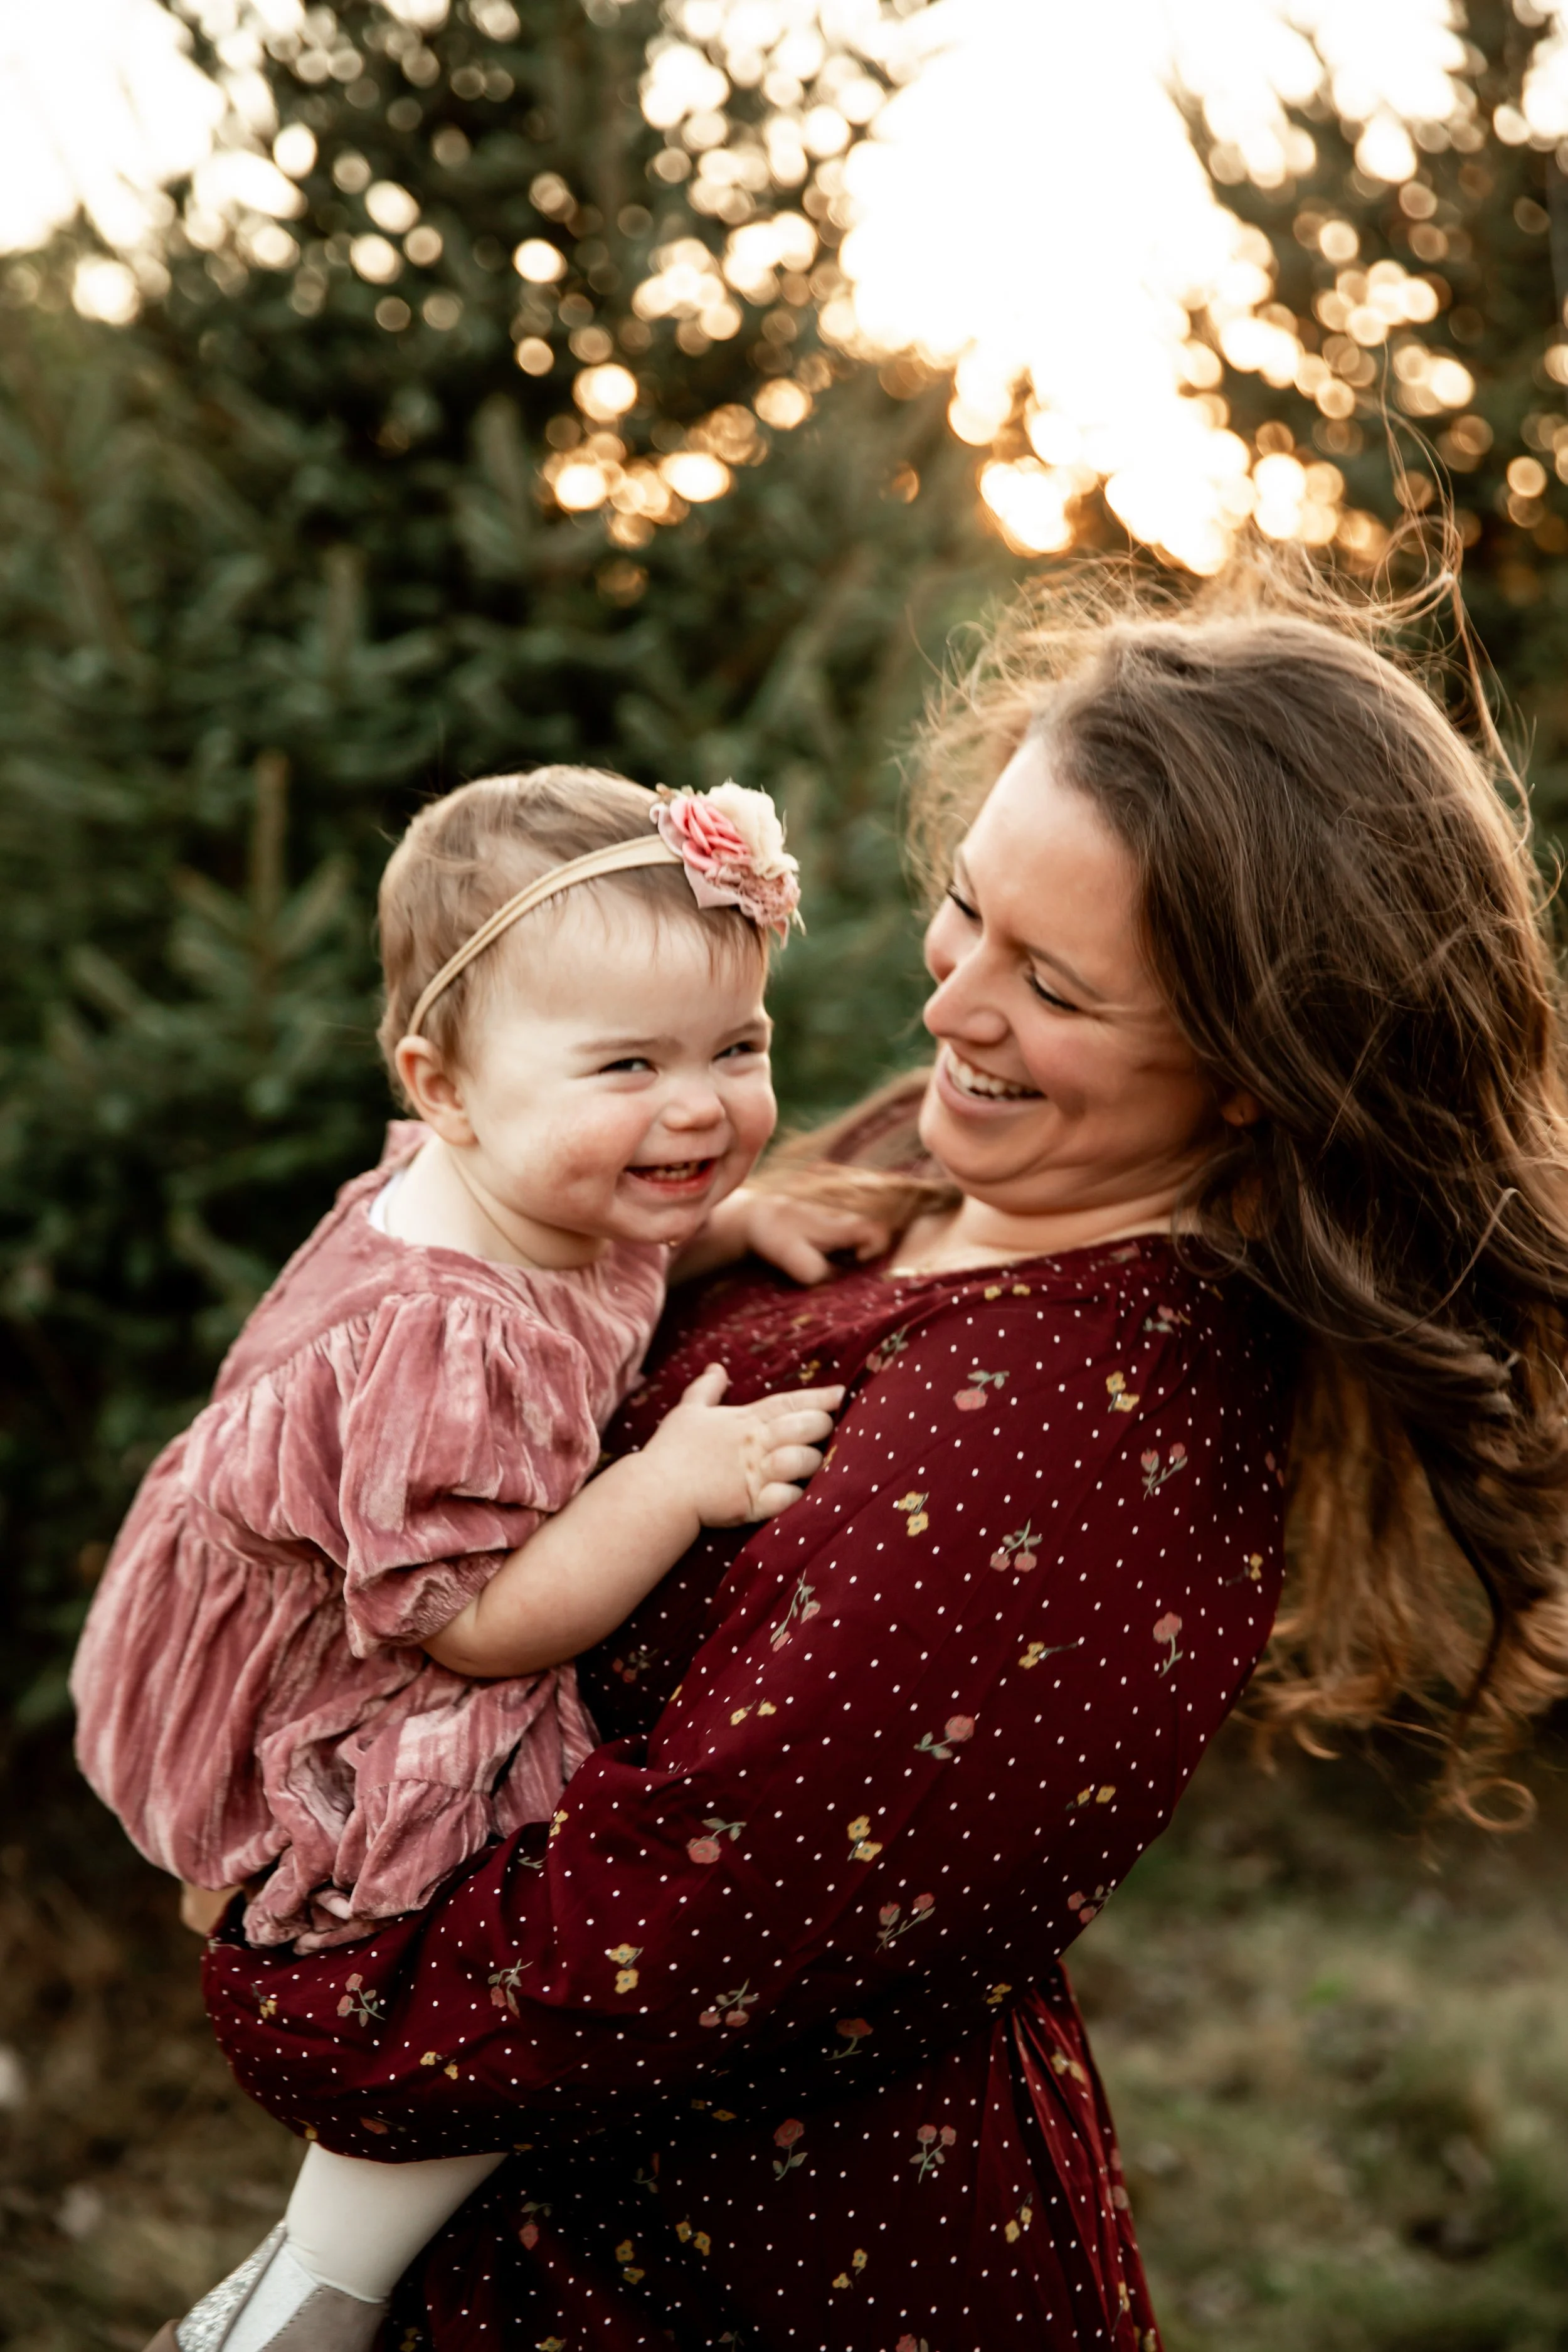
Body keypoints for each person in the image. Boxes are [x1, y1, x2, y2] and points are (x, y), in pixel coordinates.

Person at [183, 555, 1568, 2352]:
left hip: (752, 2282)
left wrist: (263, 1939)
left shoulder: (1079, 1441)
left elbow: (649, 1947)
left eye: (1052, 984)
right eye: (959, 907)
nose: (948, 1006)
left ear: (1251, 1060)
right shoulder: (926, 1177)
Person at [71, 767, 886, 2352]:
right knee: (516, 1939)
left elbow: (621, 1221)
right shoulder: (445, 1331)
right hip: (340, 1669)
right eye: (629, 1064)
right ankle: (315, 2291)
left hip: (356, 1598)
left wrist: (735, 1228)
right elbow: (482, 1628)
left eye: (740, 1047)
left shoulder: (539, 1170)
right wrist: (666, 1486)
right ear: (442, 1087)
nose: (698, 1107)